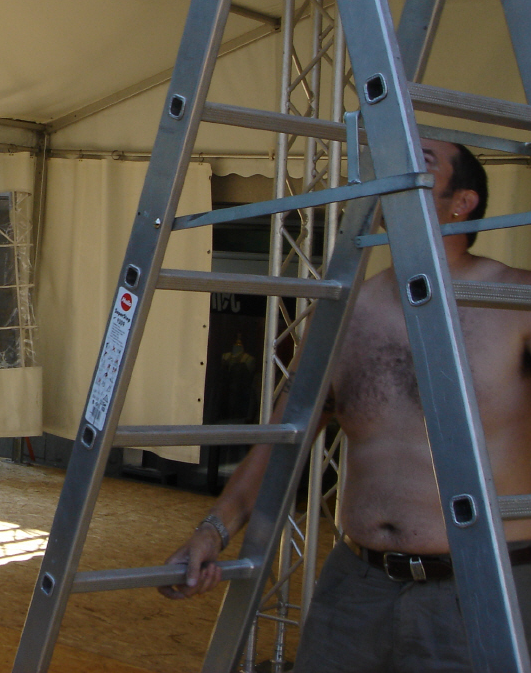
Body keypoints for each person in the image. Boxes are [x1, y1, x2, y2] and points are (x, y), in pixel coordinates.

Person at [160, 139, 531, 671]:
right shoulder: (342, 312)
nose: (399, 166)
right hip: (357, 586)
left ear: (462, 202)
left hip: (478, 587)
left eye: (423, 162)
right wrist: (212, 531)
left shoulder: (517, 303)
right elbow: (282, 442)